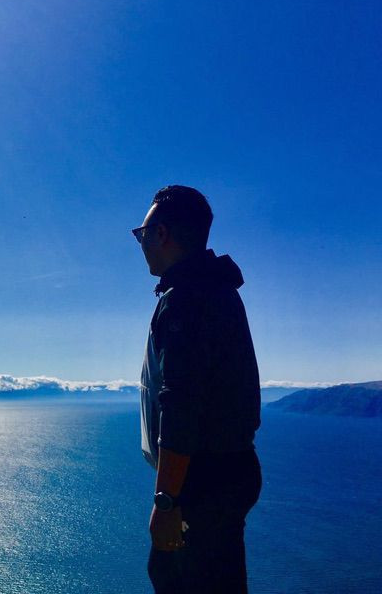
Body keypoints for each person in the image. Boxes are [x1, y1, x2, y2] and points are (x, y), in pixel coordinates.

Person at [135, 185, 262, 594]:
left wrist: (167, 500)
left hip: (201, 481)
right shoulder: (215, 290)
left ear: (162, 234)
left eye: (143, 233)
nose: (141, 243)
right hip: (227, 471)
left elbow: (181, 404)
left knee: (178, 579)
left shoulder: (186, 300)